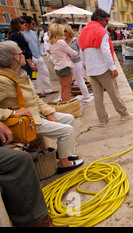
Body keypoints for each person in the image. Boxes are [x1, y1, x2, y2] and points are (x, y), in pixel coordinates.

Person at [0, 40, 83, 174]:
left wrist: (49, 113)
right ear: (16, 57)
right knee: (66, 130)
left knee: (68, 118)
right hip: (26, 121)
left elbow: (35, 99)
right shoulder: (3, 80)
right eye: (21, 53)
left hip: (36, 114)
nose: (23, 55)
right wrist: (12, 113)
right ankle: (64, 163)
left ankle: (67, 153)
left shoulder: (20, 74)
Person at [78, 9, 133, 125]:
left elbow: (81, 51)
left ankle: (102, 118)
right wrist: (112, 68)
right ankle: (124, 114)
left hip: (91, 69)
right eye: (106, 20)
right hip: (103, 68)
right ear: (99, 19)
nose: (107, 22)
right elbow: (106, 52)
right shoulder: (102, 32)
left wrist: (85, 65)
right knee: (114, 93)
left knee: (98, 96)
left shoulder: (83, 31)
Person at [21, 16, 55, 97]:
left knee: (45, 72)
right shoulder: (22, 34)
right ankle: (36, 91)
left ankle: (47, 89)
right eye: (33, 23)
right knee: (34, 75)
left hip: (38, 56)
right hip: (31, 57)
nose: (34, 25)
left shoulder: (33, 33)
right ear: (27, 24)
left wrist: (40, 53)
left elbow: (37, 44)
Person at [64, 24, 93, 105]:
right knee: (69, 81)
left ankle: (86, 95)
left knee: (79, 79)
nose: (64, 33)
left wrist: (84, 63)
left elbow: (81, 51)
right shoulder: (63, 41)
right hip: (68, 63)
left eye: (65, 31)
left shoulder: (75, 40)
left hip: (77, 62)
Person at [48, 24, 77, 102]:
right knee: (67, 89)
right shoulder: (60, 42)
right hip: (65, 66)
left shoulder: (51, 42)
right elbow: (73, 53)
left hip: (58, 67)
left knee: (63, 88)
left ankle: (64, 103)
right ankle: (67, 104)